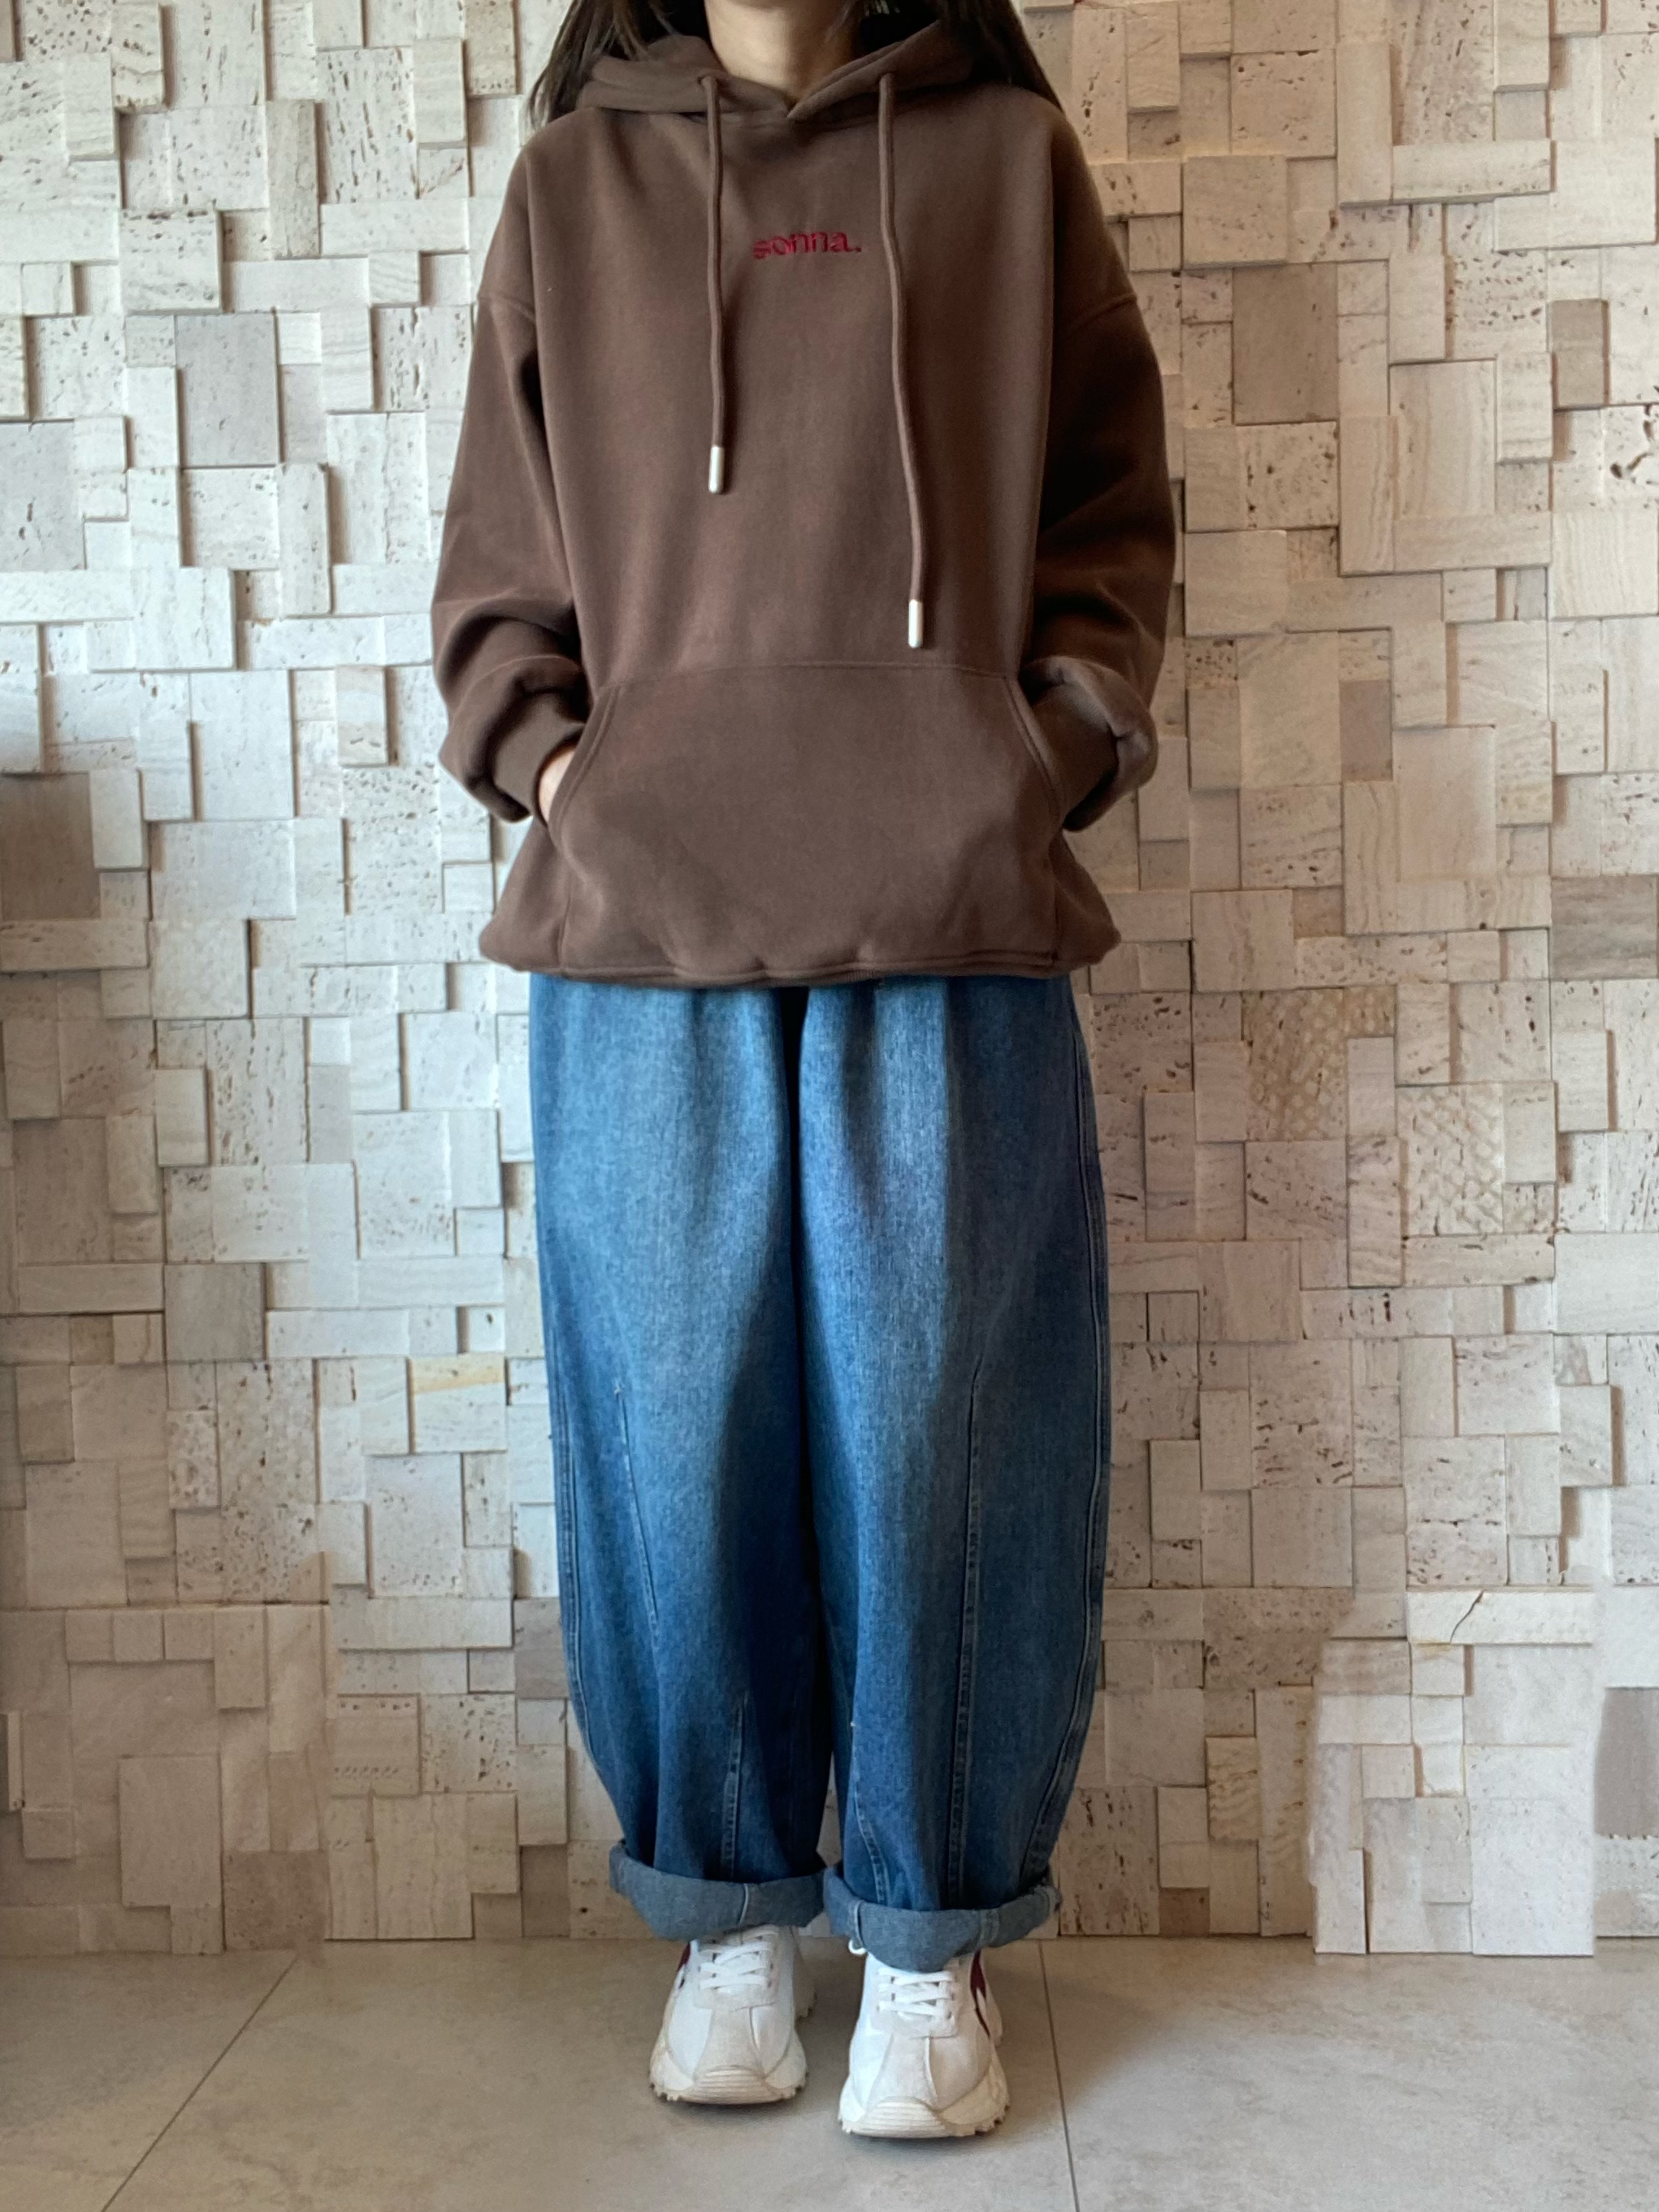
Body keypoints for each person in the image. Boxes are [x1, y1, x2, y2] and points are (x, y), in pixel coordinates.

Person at [431, 0, 1174, 2140]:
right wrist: (568, 778)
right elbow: (497, 576)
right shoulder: (575, 186)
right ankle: (728, 1921)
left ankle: (931, 1944)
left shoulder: (1005, 167)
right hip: (640, 928)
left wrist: (1025, 764)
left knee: (951, 1431)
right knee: (672, 1429)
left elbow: (1112, 526)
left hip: (944, 916)